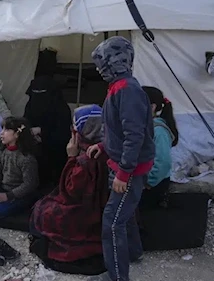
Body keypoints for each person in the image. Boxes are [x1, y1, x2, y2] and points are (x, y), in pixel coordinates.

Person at [87, 36, 155, 281]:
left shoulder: (128, 91)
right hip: (121, 164)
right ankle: (133, 252)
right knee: (124, 214)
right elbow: (118, 129)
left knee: (112, 221)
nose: (98, 69)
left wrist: (124, 173)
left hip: (130, 168)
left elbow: (134, 135)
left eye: (102, 63)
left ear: (115, 62)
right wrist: (103, 146)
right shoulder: (119, 87)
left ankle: (116, 277)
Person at [30, 105, 110, 275]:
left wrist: (71, 157)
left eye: (75, 123)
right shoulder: (108, 146)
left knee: (44, 209)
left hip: (84, 209)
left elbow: (70, 191)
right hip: (102, 205)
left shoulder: (86, 158)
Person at [141, 86, 179, 209]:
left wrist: (148, 182)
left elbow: (163, 162)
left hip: (153, 184)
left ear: (152, 107)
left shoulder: (159, 131)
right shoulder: (145, 126)